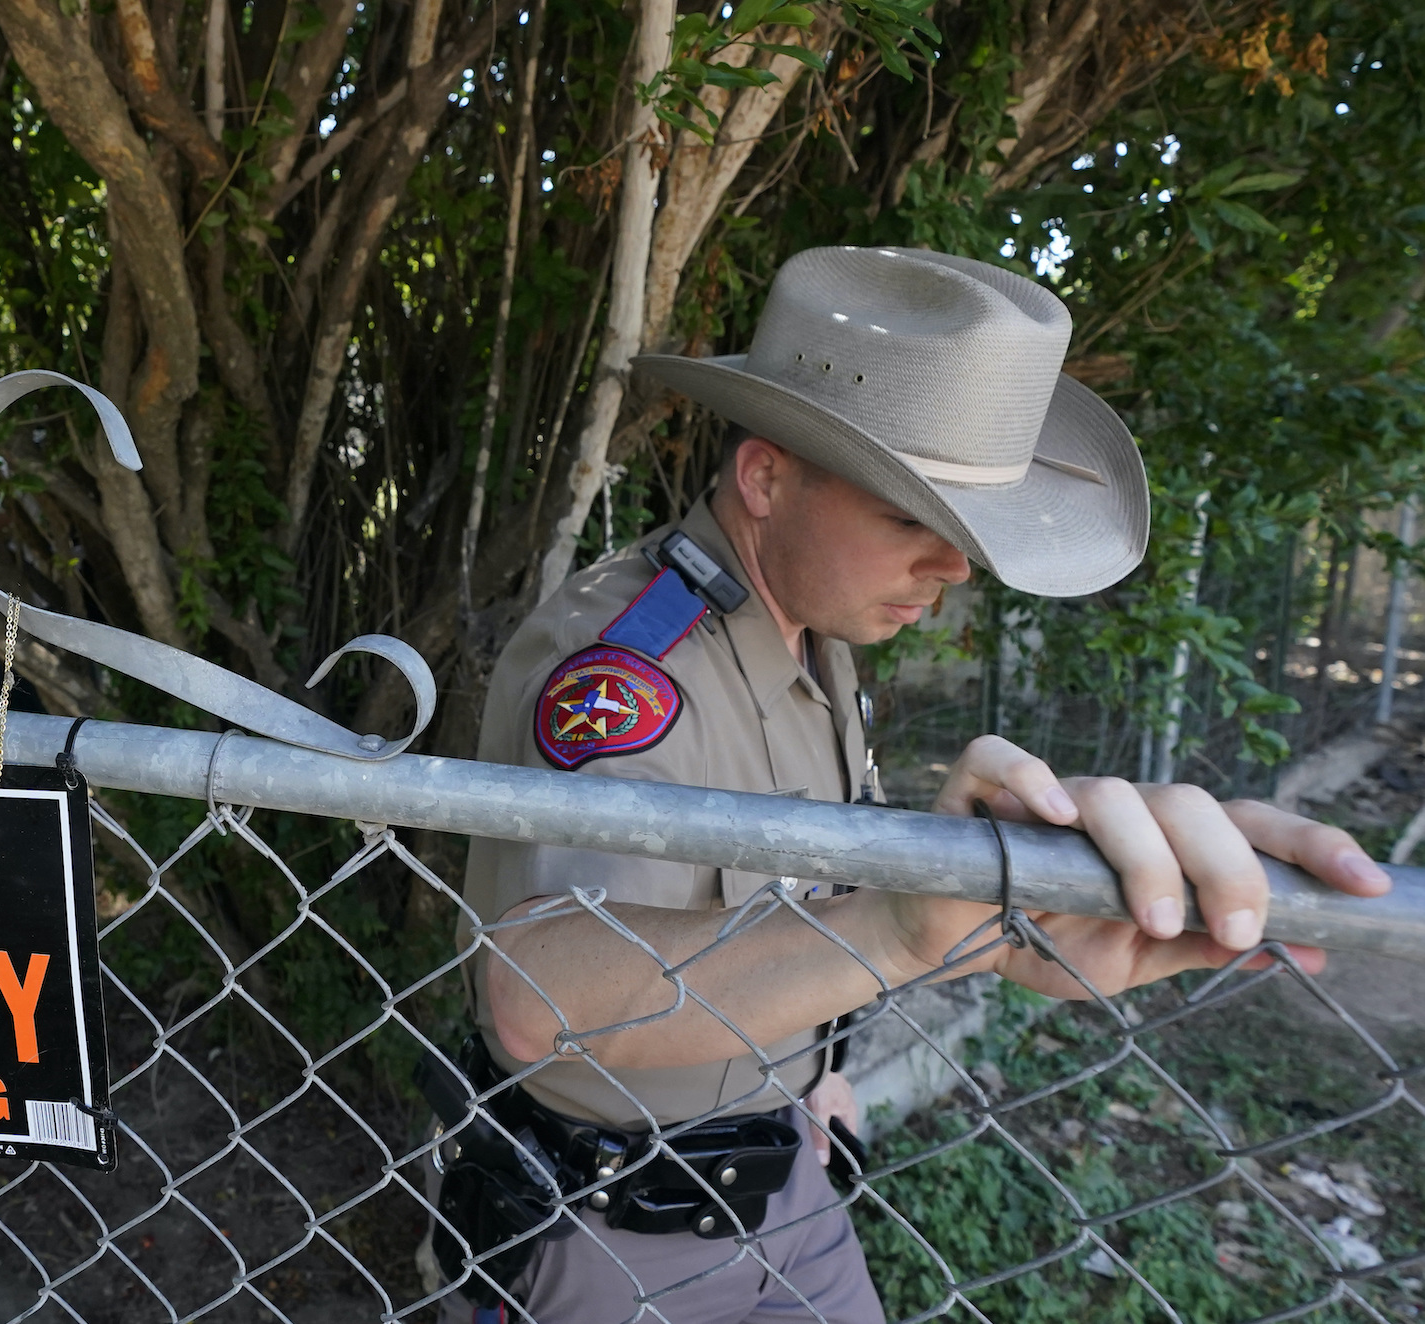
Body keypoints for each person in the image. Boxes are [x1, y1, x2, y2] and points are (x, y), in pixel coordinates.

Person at [448, 246, 1394, 1323]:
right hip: (615, 1231)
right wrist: (899, 928)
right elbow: (536, 1001)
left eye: (964, 532)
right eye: (911, 520)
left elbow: (784, 913)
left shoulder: (813, 636)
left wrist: (961, 952)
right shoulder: (633, 670)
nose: (953, 570)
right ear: (764, 479)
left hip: (788, 1176)